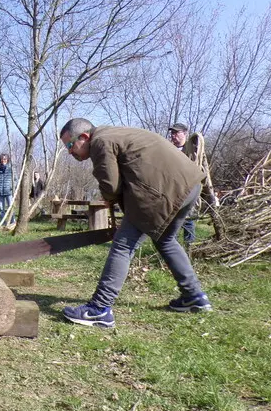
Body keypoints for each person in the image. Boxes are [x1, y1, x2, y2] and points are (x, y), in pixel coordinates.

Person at [59, 118, 212, 328]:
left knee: (123, 246)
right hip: (189, 186)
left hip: (163, 192)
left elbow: (111, 185)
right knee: (166, 240)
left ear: (84, 137)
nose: (70, 152)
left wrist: (109, 196)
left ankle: (99, 308)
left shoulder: (100, 142)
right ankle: (194, 296)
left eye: (70, 145)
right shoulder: (112, 134)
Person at [168, 123, 195, 245]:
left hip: (188, 187)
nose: (174, 136)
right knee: (171, 217)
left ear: (185, 133)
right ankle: (172, 244)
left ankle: (189, 245)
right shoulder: (168, 149)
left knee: (187, 218)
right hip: (172, 188)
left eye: (176, 133)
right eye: (172, 133)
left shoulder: (192, 149)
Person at [0, 153, 15, 225]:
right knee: (1, 209)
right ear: (0, 160)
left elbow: (16, 180)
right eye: (2, 159)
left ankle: (13, 221)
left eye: (5, 159)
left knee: (11, 207)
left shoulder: (10, 168)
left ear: (7, 160)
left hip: (8, 191)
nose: (3, 160)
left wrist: (11, 187)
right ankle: (3, 223)